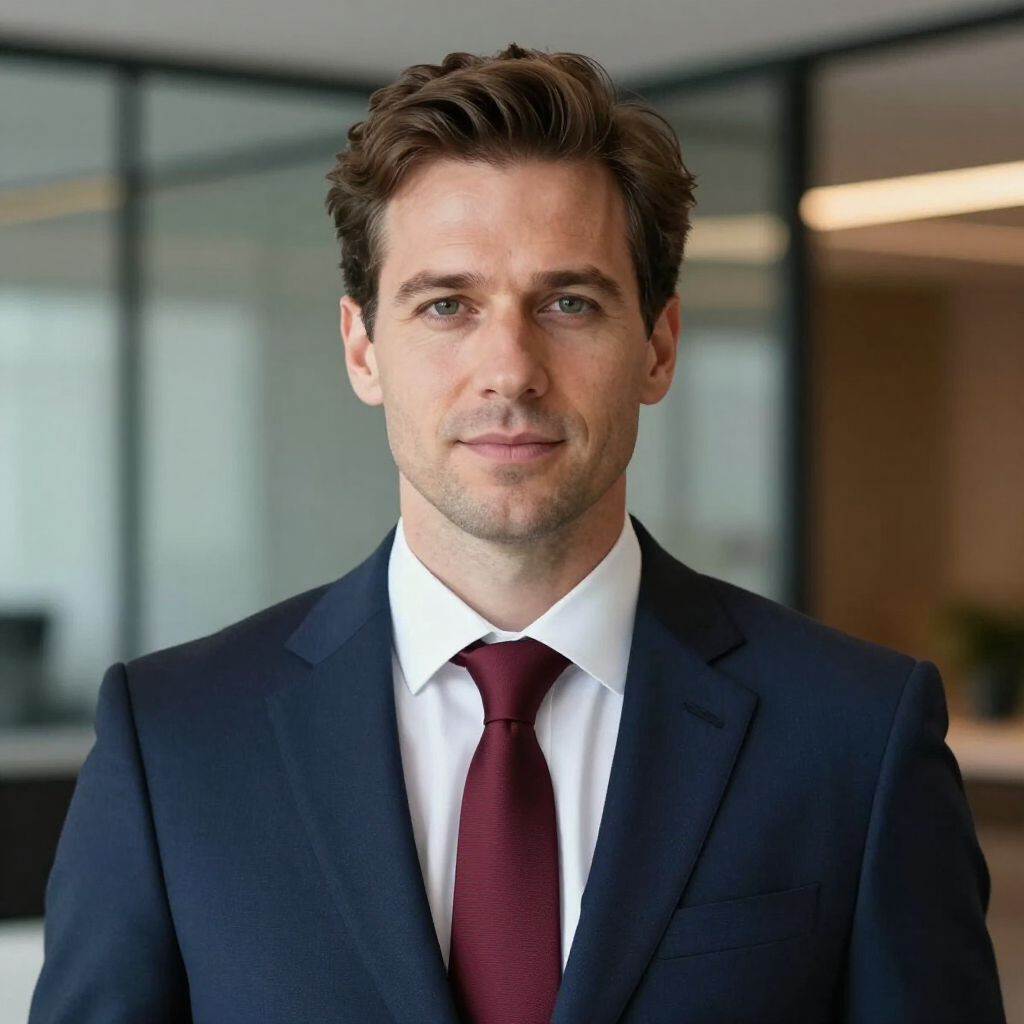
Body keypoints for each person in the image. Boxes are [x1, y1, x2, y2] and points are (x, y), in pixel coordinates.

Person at [30, 45, 1004, 1024]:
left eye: (568, 303)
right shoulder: (175, 745)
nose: (510, 370)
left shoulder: (854, 736)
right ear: (362, 347)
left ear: (658, 345)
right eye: (446, 303)